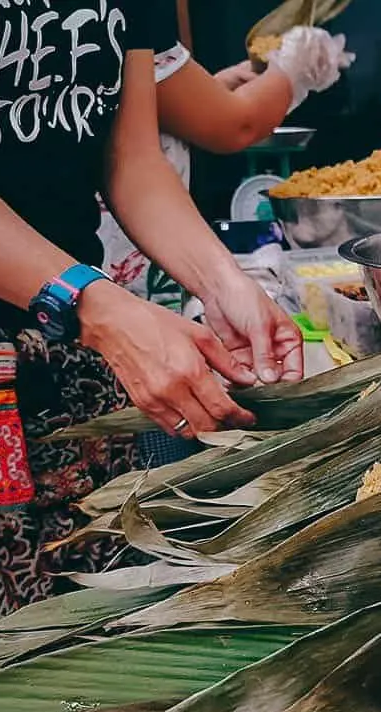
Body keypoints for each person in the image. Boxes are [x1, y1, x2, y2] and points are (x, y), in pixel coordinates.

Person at [0, 1, 347, 712]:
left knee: (94, 701)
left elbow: (131, 157)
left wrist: (223, 284)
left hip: (76, 357)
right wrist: (89, 302)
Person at [96, 14, 352, 466]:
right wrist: (291, 73)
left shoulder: (133, 18)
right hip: (77, 304)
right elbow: (234, 123)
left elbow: (133, 155)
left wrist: (225, 284)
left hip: (137, 286)